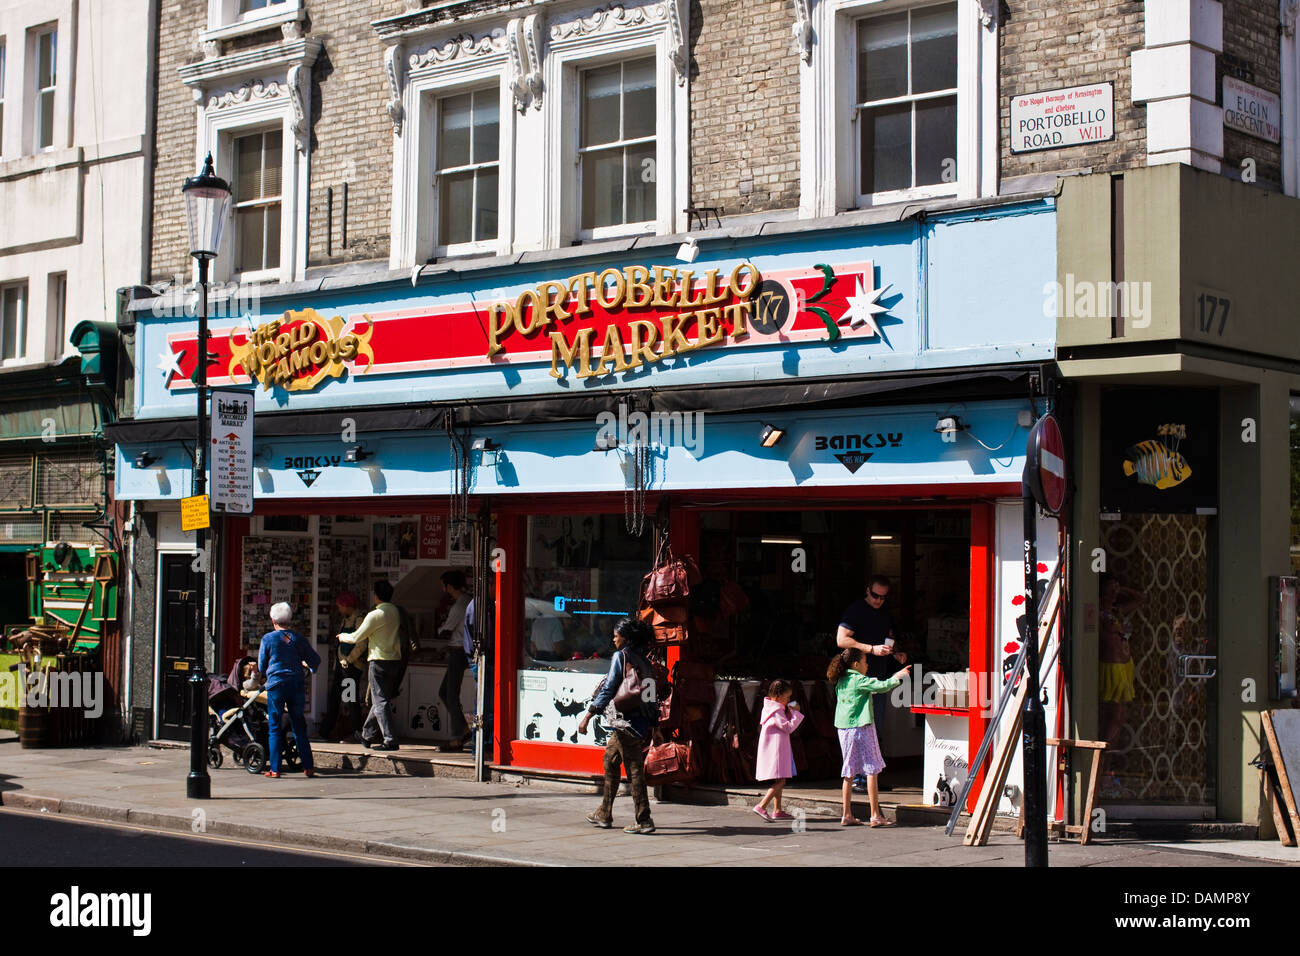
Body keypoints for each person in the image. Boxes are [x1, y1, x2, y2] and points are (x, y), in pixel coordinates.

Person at [577, 617, 657, 834]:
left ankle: (644, 819)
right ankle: (604, 812)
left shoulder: (620, 657)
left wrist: (588, 716)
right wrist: (650, 721)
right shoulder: (644, 660)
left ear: (626, 638)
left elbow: (609, 688)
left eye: (616, 635)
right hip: (637, 721)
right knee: (610, 762)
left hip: (624, 722)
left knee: (634, 770)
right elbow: (650, 693)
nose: (613, 639)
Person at [829, 647, 910, 827]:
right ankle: (875, 815)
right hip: (862, 727)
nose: (867, 666)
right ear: (856, 664)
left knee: (848, 772)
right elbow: (881, 687)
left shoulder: (841, 681)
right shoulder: (859, 679)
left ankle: (847, 814)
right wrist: (898, 676)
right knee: (872, 768)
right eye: (865, 662)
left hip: (843, 729)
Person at [836, 574, 897, 792]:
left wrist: (894, 652)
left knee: (874, 728)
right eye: (874, 596)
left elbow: (888, 636)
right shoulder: (855, 610)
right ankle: (860, 778)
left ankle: (870, 777)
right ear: (867, 590)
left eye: (883, 597)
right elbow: (841, 640)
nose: (878, 601)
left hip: (877, 677)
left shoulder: (884, 613)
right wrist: (871, 649)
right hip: (858, 680)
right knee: (860, 729)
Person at [257, 602, 320, 778]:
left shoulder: (268, 639)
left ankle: (275, 768)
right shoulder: (298, 638)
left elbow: (262, 665)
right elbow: (315, 660)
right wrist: (306, 666)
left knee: (275, 725)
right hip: (296, 683)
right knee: (298, 724)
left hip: (276, 684)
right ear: (290, 619)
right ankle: (308, 766)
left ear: (273, 620)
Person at [338, 579, 402, 751]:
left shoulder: (373, 615)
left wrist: (342, 639)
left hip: (369, 662)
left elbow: (357, 639)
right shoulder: (394, 611)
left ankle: (388, 739)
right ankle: (366, 735)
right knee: (379, 699)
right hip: (393, 660)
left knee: (374, 700)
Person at [1098, 573, 1144, 785]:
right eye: (1110, 589)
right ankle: (1102, 765)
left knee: (1120, 715)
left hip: (1124, 666)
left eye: (1116, 590)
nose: (1114, 593)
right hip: (1111, 667)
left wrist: (1123, 588)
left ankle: (1106, 766)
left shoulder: (1115, 611)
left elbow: (1141, 599)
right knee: (1113, 716)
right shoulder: (1099, 613)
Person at [753, 679, 803, 821]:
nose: (788, 700)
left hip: (774, 748)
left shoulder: (771, 708)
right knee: (781, 782)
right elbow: (788, 728)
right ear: (779, 696)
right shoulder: (776, 711)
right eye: (787, 697)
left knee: (780, 779)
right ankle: (762, 805)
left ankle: (777, 809)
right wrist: (796, 714)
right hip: (777, 750)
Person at [321, 591, 364, 741]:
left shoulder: (358, 620)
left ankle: (356, 731)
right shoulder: (345, 620)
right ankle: (325, 731)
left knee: (350, 698)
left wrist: (349, 659)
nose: (339, 609)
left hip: (350, 667)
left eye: (340, 606)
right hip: (340, 667)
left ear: (346, 606)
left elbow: (361, 643)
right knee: (334, 698)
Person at [437, 570, 472, 752]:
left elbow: (446, 629)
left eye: (443, 585)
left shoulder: (459, 605)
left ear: (449, 586)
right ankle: (463, 729)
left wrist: (439, 630)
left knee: (449, 694)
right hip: (463, 650)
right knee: (446, 692)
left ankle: (456, 737)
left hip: (459, 652)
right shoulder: (468, 600)